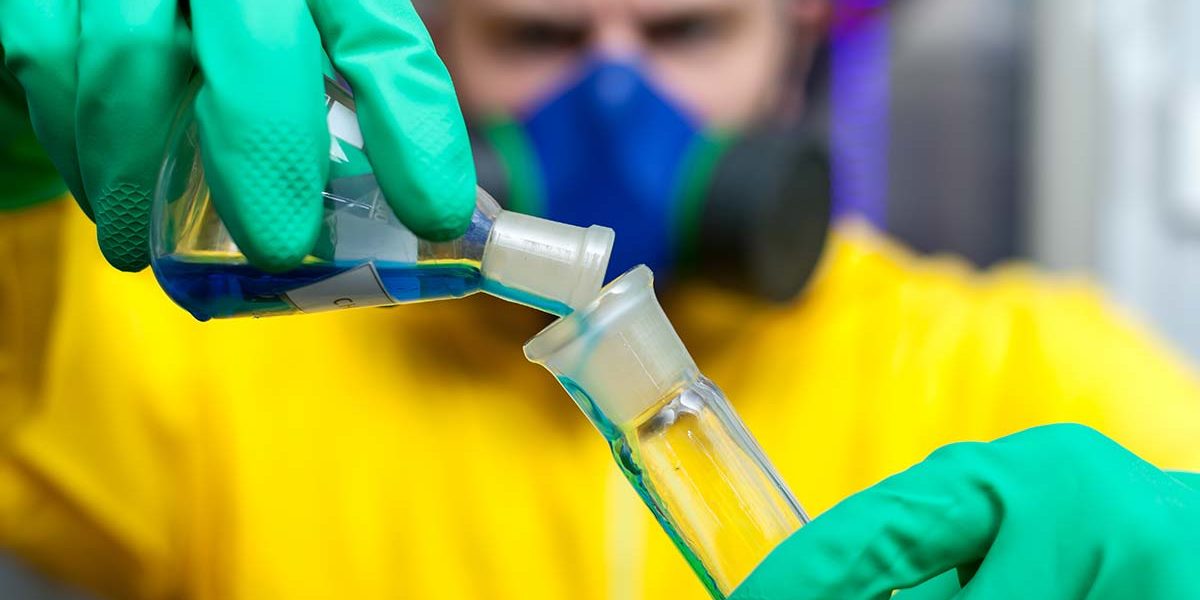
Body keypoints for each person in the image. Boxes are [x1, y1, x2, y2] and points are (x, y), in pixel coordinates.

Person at [1, 1, 1197, 599]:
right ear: (427, 46)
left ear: (802, 34)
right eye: (544, 36)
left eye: (686, 29)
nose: (620, 102)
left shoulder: (1028, 378)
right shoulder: (218, 383)